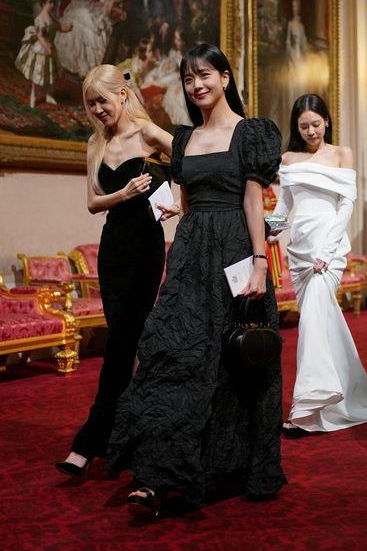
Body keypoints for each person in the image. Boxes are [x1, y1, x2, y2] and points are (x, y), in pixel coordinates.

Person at [105, 44, 286, 517]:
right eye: (188, 79)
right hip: (190, 256)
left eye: (204, 75)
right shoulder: (183, 140)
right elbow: (185, 205)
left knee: (231, 362)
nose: (196, 85)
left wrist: (260, 265)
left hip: (235, 253)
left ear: (225, 78)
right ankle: (153, 476)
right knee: (173, 355)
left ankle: (222, 465)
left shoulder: (251, 133)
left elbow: (252, 203)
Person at [55, 64, 173, 477]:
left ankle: (89, 441)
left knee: (121, 345)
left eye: (102, 100)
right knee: (126, 345)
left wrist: (179, 203)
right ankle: (132, 432)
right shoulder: (95, 144)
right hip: (113, 252)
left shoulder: (150, 134)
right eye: (90, 105)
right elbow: (92, 202)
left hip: (146, 250)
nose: (97, 110)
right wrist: (123, 194)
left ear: (123, 95)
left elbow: (193, 168)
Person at [270, 94, 367, 438]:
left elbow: (345, 205)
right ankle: (350, 392)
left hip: (329, 249)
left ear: (326, 121)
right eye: (303, 126)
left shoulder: (341, 153)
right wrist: (269, 227)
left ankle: (307, 407)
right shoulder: (288, 157)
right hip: (299, 251)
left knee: (314, 322)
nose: (310, 131)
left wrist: (327, 249)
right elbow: (284, 205)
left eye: (315, 124)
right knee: (320, 323)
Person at [15, 0, 72, 109]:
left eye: (53, 2)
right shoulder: (40, 19)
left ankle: (48, 95)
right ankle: (33, 96)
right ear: (43, 2)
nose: (52, 5)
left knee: (51, 75)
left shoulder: (51, 17)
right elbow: (40, 37)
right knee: (37, 77)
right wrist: (46, 47)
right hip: (41, 50)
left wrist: (67, 28)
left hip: (50, 49)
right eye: (50, 2)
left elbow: (57, 27)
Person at [54, 0, 109, 78]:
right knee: (80, 17)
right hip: (70, 8)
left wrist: (99, 3)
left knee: (87, 18)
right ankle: (71, 66)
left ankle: (84, 69)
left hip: (82, 8)